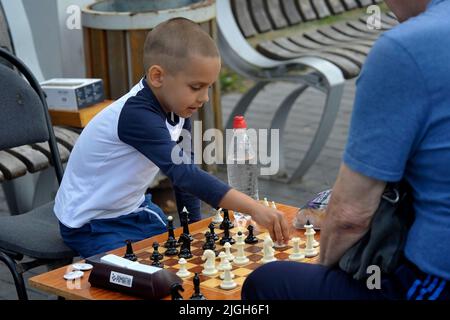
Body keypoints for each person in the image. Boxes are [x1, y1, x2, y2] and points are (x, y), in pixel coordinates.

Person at [242, 0, 450, 300]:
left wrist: (322, 272)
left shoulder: (404, 48)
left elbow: (351, 215)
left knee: (265, 283)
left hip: (435, 281)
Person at [54, 18, 289, 258]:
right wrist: (253, 209)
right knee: (141, 280)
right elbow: (185, 175)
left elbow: (186, 174)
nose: (205, 97)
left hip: (134, 211)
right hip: (92, 224)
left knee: (182, 261)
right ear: (157, 76)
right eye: (196, 87)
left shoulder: (177, 106)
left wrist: (197, 230)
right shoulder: (136, 115)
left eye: (208, 87)